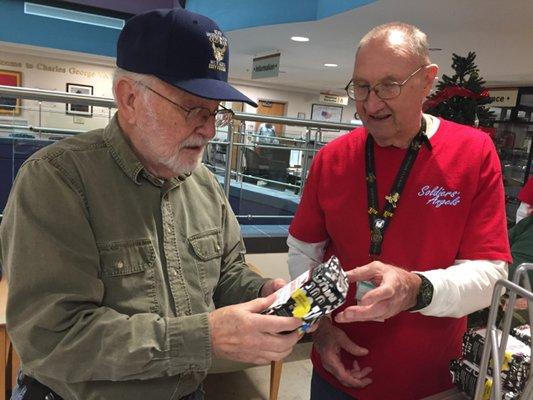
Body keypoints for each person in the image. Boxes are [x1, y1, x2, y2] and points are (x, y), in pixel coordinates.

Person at [0, 8, 303, 400]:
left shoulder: (205, 184)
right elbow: (52, 337)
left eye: (216, 113)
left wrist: (265, 291)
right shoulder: (57, 181)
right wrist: (203, 338)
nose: (209, 129)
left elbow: (225, 274)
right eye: (192, 107)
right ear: (129, 98)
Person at [287, 22, 511, 400]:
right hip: (333, 376)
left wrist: (416, 290)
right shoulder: (331, 158)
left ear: (426, 81)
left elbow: (491, 275)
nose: (371, 105)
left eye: (389, 85)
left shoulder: (472, 153)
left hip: (431, 382)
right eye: (361, 87)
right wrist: (319, 326)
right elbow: (302, 251)